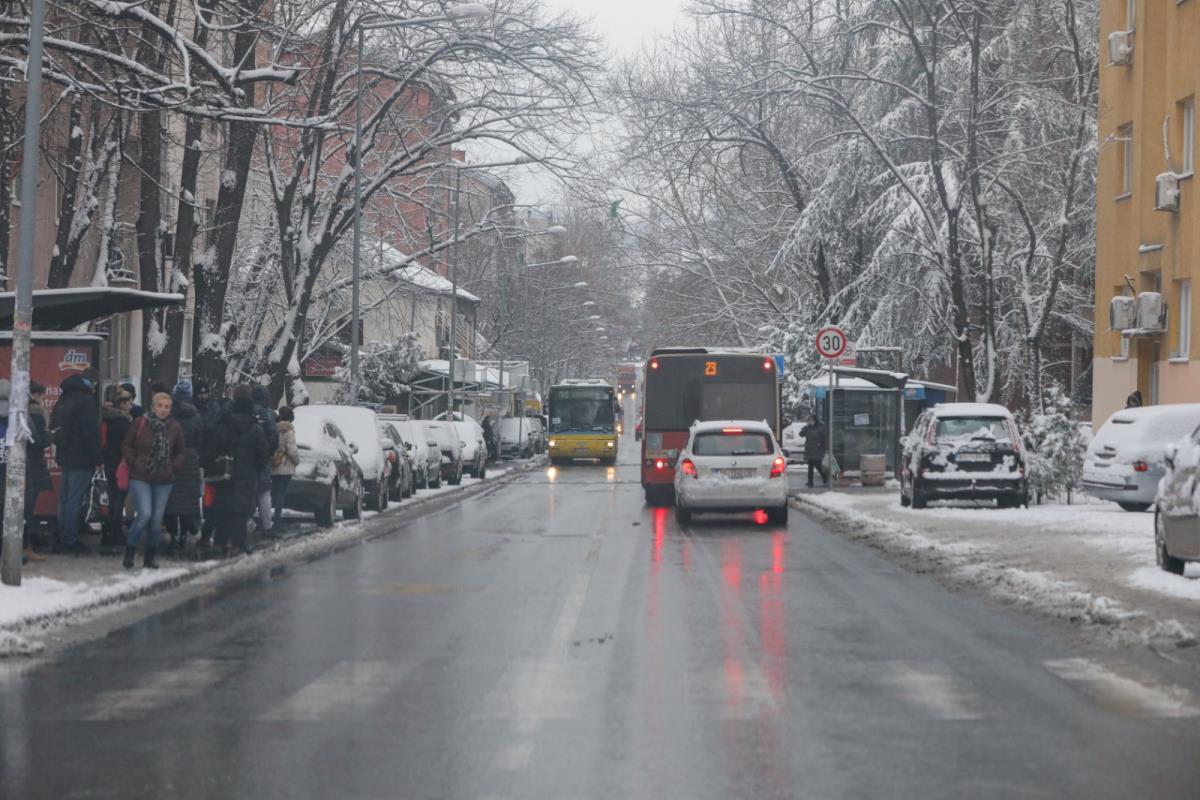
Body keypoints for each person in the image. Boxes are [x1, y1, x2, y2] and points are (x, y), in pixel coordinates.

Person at [120, 392, 185, 569]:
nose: (163, 410)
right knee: (144, 515)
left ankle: (150, 557)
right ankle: (130, 552)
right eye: (160, 406)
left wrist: (172, 467)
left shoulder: (175, 427)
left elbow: (180, 452)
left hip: (164, 478)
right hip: (141, 475)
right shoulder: (140, 423)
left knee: (156, 520)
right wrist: (134, 462)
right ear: (153, 406)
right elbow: (126, 444)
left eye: (167, 407)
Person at [207, 389, 268, 558]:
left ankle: (219, 543)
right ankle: (237, 544)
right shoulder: (256, 430)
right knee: (240, 511)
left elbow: (213, 449)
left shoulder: (224, 426)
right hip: (247, 475)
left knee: (223, 509)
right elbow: (263, 455)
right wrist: (255, 468)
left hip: (225, 473)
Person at [51, 368, 102, 553]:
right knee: (74, 499)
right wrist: (97, 458)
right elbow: (91, 433)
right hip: (82, 457)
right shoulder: (86, 401)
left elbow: (54, 426)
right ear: (91, 382)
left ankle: (63, 534)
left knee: (64, 499)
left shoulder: (65, 398)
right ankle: (70, 539)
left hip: (65, 455)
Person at [164, 380, 205, 556]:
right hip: (190, 461)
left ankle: (173, 535)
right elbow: (201, 441)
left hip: (170, 459)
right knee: (189, 500)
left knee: (171, 501)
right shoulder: (196, 417)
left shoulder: (167, 416)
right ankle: (188, 532)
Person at [100, 387, 134, 551]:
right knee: (118, 498)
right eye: (128, 402)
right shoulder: (122, 421)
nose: (130, 404)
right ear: (120, 404)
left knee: (113, 496)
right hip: (120, 463)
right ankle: (116, 531)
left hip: (109, 461)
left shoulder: (107, 418)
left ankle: (109, 530)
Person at [23, 382, 53, 563]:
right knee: (27, 510)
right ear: (35, 395)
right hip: (32, 466)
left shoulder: (17, 412)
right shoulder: (36, 414)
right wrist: (50, 435)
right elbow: (39, 441)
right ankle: (26, 548)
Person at [250, 384, 279, 536]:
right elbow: (274, 436)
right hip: (263, 458)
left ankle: (247, 521)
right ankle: (267, 525)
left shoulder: (245, 411)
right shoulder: (268, 415)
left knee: (247, 491)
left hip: (245, 458)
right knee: (264, 492)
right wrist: (270, 452)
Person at [270, 406, 300, 527]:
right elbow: (292, 450)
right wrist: (297, 461)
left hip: (273, 464)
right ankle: (276, 523)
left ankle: (267, 521)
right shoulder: (289, 431)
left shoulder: (273, 428)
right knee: (281, 496)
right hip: (285, 467)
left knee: (272, 494)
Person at [801, 414, 829, 488]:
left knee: (818, 466)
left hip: (818, 450)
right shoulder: (808, 428)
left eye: (812, 420)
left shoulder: (820, 427)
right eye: (809, 420)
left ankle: (824, 477)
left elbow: (825, 439)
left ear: (815, 420)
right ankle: (810, 482)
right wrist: (806, 426)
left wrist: (824, 448)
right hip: (809, 450)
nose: (810, 421)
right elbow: (801, 434)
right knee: (810, 467)